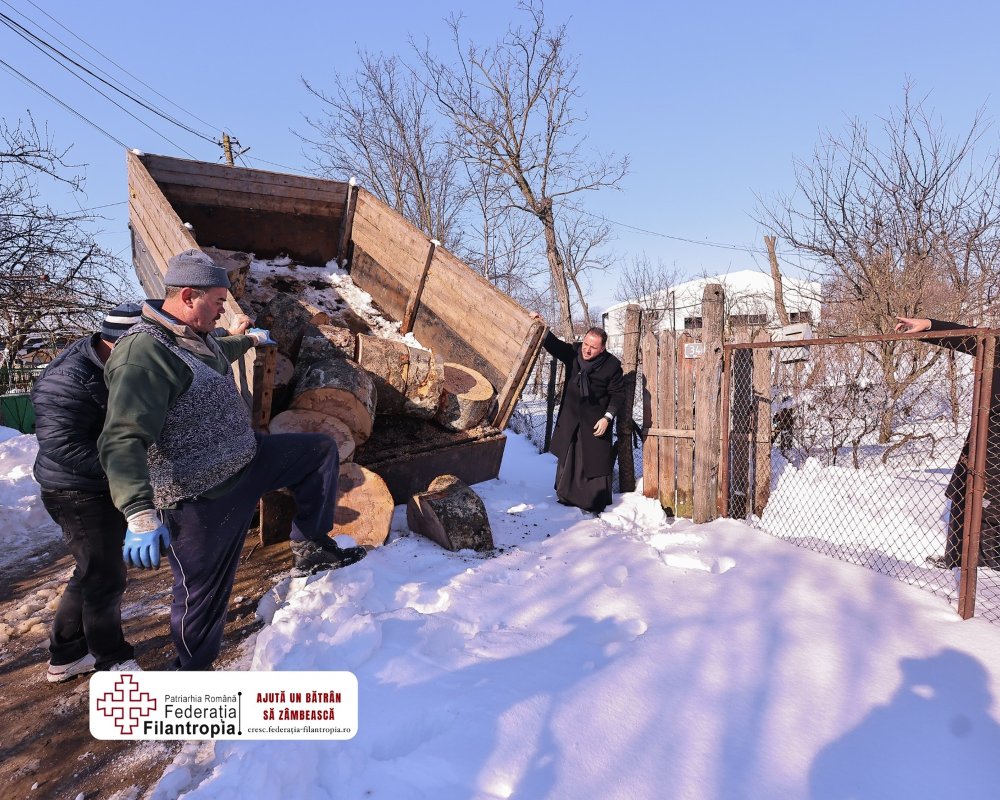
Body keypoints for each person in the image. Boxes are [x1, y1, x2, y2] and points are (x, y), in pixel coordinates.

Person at [98, 249, 366, 671]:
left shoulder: (195, 336)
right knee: (202, 596)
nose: (223, 311)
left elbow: (220, 350)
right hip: (203, 495)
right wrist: (139, 514)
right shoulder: (144, 355)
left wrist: (250, 339)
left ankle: (312, 545)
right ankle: (191, 673)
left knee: (318, 451)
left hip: (248, 459)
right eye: (219, 302)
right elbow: (121, 438)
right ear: (189, 296)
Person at [31, 302, 144, 682]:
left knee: (90, 570)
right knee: (104, 576)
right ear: (120, 343)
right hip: (75, 491)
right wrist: (127, 471)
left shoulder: (115, 363)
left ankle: (66, 653)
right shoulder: (66, 380)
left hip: (97, 484)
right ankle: (111, 659)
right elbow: (61, 445)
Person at [895, 315, 1000, 569]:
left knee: (991, 510)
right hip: (984, 438)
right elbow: (971, 338)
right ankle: (956, 563)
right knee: (962, 496)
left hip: (994, 447)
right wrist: (930, 326)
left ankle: (984, 574)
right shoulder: (996, 344)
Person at [531, 313, 625, 514]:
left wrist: (607, 418)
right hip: (572, 416)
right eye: (586, 344)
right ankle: (566, 495)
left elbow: (618, 395)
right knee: (569, 456)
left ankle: (592, 501)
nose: (587, 350)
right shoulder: (574, 353)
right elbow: (554, 345)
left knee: (593, 460)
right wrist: (541, 324)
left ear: (602, 348)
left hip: (596, 420)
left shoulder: (612, 366)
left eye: (593, 347)